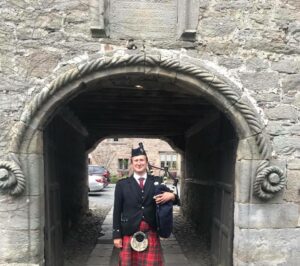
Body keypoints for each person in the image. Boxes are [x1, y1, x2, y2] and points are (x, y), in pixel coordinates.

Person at [113, 145, 179, 266]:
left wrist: (172, 196)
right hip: (129, 231)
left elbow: (176, 200)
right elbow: (117, 211)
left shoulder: (157, 181)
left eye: (142, 160)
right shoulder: (122, 185)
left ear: (147, 162)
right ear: (132, 163)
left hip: (151, 231)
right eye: (136, 160)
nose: (139, 163)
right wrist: (116, 235)